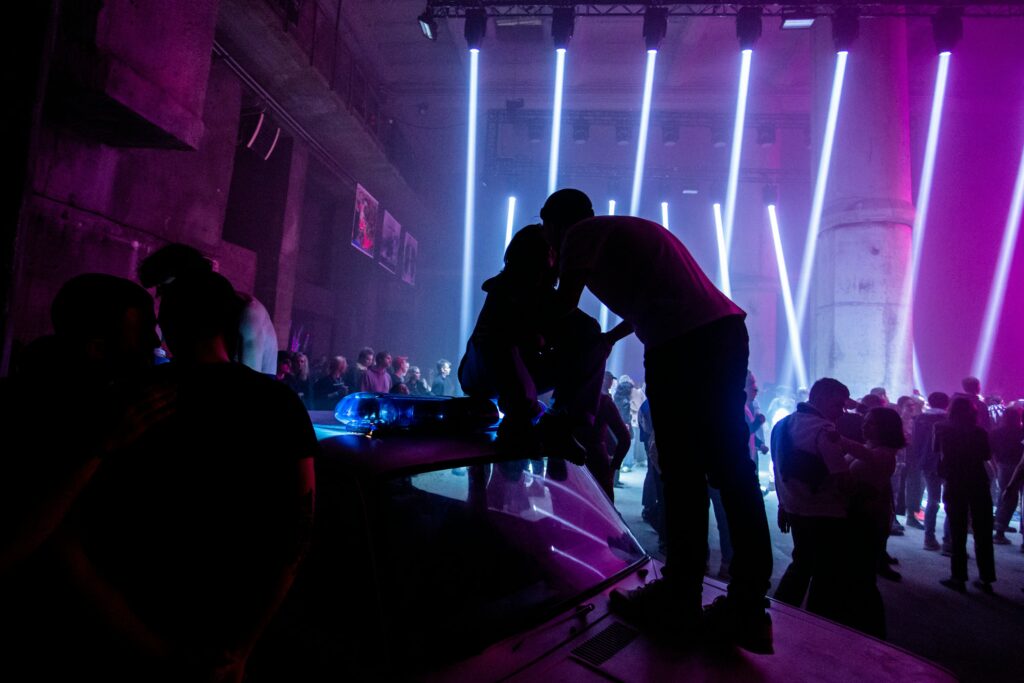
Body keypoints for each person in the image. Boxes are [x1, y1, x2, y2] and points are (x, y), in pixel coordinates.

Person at [540, 189, 772, 653]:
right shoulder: (626, 230)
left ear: (554, 222)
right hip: (721, 332)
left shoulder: (579, 235)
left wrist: (518, 310)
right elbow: (649, 301)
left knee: (681, 471)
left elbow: (562, 306)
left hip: (680, 344)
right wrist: (610, 336)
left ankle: (679, 591)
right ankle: (747, 605)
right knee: (730, 467)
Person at [57, 271, 317, 681]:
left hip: (132, 634)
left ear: (170, 327)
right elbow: (299, 528)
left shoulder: (129, 399)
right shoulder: (278, 404)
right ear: (230, 326)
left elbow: (74, 536)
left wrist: (155, 650)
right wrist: (243, 649)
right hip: (232, 633)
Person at [458, 224, 627, 462]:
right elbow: (497, 343)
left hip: (516, 373)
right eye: (545, 250)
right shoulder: (504, 289)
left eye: (552, 250)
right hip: (483, 374)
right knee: (504, 340)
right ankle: (524, 419)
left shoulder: (546, 296)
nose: (551, 254)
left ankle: (559, 423)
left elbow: (587, 330)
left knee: (593, 341)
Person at [771, 378, 853, 627]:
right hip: (824, 513)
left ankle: (781, 614)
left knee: (801, 563)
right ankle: (816, 623)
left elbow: (778, 469)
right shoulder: (824, 430)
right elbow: (841, 478)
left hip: (794, 507)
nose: (842, 411)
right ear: (822, 399)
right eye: (838, 405)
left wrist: (783, 504)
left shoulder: (783, 425)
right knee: (824, 572)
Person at [138, 243, 278, 374]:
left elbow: (251, 387)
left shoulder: (249, 314)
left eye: (167, 287)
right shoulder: (205, 310)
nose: (165, 298)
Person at [840, 407, 905, 638]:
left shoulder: (885, 453)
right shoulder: (869, 447)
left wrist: (836, 438)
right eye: (865, 421)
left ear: (886, 428)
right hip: (856, 517)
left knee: (864, 580)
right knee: (857, 577)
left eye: (871, 423)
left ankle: (874, 633)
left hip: (866, 521)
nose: (864, 426)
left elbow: (862, 468)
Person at [935, 397, 996, 593]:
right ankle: (986, 578)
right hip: (978, 479)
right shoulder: (979, 431)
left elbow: (938, 451)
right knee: (983, 530)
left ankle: (958, 577)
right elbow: (986, 455)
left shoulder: (943, 428)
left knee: (957, 529)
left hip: (955, 479)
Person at [914, 392, 950, 551]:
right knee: (951, 502)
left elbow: (915, 443)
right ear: (946, 404)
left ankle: (929, 538)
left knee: (932, 500)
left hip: (927, 463)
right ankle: (948, 542)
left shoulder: (920, 419)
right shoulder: (949, 420)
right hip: (948, 464)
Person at [991, 407, 1023, 544]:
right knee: (1017, 499)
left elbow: (990, 452)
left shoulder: (996, 431)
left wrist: (995, 466)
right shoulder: (1021, 431)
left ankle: (999, 530)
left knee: (1005, 496)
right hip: (1020, 466)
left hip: (1003, 466)